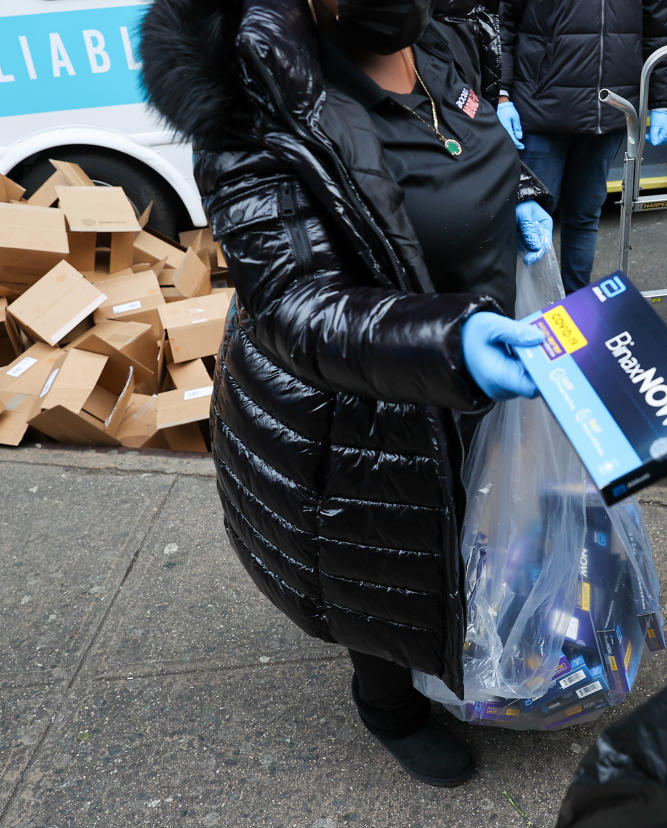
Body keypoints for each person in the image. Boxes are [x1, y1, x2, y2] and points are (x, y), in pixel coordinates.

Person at [140, 0, 555, 789]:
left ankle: (466, 643)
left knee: (473, 520)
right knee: (381, 556)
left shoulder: (440, 37)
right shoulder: (257, 101)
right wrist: (451, 343)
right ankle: (388, 706)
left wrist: (519, 192)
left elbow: (465, 139)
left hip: (477, 356)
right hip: (357, 404)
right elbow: (298, 301)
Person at [497, 0, 667, 293]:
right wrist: (501, 94)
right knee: (530, 219)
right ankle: (526, 311)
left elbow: (657, 35)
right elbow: (503, 26)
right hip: (541, 113)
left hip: (607, 114)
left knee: (584, 216)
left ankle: (576, 305)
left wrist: (661, 103)